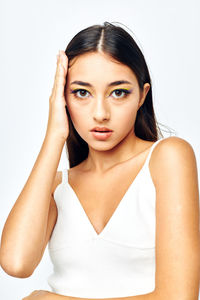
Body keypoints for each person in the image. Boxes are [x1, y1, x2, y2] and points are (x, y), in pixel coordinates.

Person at [0, 22, 199, 300]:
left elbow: (179, 296)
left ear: (142, 95)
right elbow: (16, 263)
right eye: (82, 92)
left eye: (118, 92)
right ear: (63, 99)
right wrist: (54, 135)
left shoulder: (167, 158)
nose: (100, 113)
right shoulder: (58, 186)